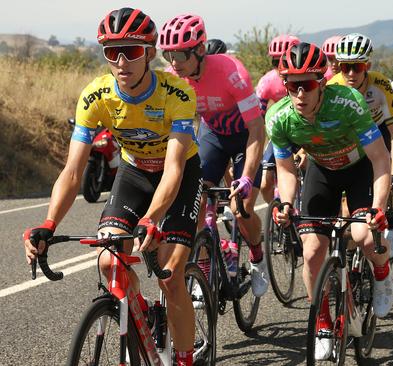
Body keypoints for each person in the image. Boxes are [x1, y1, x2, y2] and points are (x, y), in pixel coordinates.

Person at [23, 8, 200, 365]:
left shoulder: (177, 94)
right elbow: (73, 171)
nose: (121, 61)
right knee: (108, 261)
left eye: (131, 51)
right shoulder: (96, 96)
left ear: (149, 52)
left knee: (170, 274)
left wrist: (152, 218)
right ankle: (141, 313)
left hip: (178, 176)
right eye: (112, 52)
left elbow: (173, 169)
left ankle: (183, 358)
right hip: (134, 173)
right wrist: (48, 223)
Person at [268, 42, 393, 360]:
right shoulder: (279, 117)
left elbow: (380, 159)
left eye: (307, 85)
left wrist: (379, 208)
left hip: (359, 169)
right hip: (321, 172)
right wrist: (285, 203)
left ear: (322, 82)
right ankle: (323, 323)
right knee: (311, 251)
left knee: (364, 236)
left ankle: (381, 273)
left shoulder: (348, 103)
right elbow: (285, 169)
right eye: (291, 85)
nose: (299, 94)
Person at [159, 14, 269, 297]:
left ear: (200, 50)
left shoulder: (232, 72)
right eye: (168, 54)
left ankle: (257, 257)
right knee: (197, 206)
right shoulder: (174, 79)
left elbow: (257, 129)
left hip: (245, 137)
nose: (174, 62)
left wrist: (245, 178)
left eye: (180, 54)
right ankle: (205, 272)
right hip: (213, 137)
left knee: (240, 209)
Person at [328, 33, 393, 258]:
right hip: (350, 141)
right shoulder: (332, 87)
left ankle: (392, 221)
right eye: (345, 67)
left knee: (385, 186)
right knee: (346, 209)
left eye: (357, 67)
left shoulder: (380, 85)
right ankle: (351, 259)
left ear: (367, 65)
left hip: (378, 134)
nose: (351, 73)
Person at [256, 35, 301, 203]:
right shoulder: (266, 81)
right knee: (265, 183)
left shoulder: (307, 77)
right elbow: (257, 121)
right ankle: (275, 216)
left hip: (306, 132)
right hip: (282, 133)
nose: (280, 68)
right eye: (276, 62)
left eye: (286, 61)